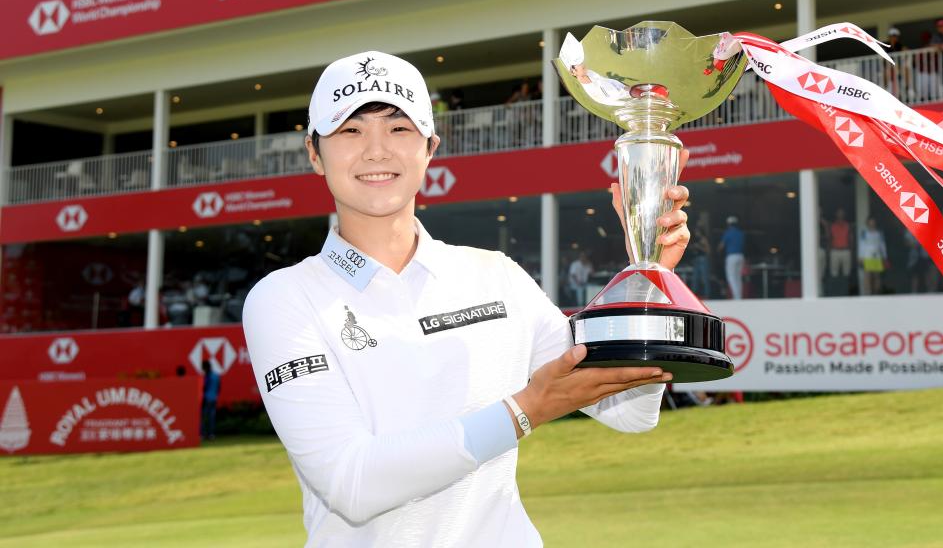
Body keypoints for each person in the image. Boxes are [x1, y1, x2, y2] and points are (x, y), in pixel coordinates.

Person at [242, 50, 691, 545]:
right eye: (350, 131)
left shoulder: (495, 275)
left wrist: (646, 274)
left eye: (398, 128)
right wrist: (526, 409)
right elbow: (352, 483)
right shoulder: (284, 298)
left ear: (430, 148)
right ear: (313, 153)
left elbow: (629, 411)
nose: (376, 151)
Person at [857, 216, 887, 295]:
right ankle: (867, 293)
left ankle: (877, 293)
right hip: (867, 256)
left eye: (873, 222)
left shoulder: (879, 233)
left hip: (877, 256)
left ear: (875, 223)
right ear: (868, 223)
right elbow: (862, 245)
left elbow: (882, 245)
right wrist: (860, 257)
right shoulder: (864, 233)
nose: (872, 224)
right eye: (870, 222)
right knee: (867, 275)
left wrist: (884, 256)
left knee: (877, 276)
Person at [719, 216, 746, 299]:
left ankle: (736, 297)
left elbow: (721, 246)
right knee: (738, 277)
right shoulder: (741, 233)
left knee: (731, 277)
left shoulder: (728, 233)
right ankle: (739, 296)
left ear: (728, 224)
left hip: (731, 256)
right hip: (740, 256)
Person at [827, 208, 852, 284]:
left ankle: (846, 291)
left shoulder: (848, 225)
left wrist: (851, 250)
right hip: (835, 251)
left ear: (844, 215)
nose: (840, 215)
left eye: (842, 213)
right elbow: (829, 238)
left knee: (847, 272)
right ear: (836, 214)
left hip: (845, 251)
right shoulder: (832, 225)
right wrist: (829, 250)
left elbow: (851, 238)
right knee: (834, 272)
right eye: (839, 213)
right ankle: (836, 291)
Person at [200, 357, 220, 442]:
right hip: (214, 398)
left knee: (204, 417)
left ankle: (204, 434)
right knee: (212, 417)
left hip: (206, 398)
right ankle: (211, 434)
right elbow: (219, 387)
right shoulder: (216, 375)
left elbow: (204, 387)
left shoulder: (207, 376)